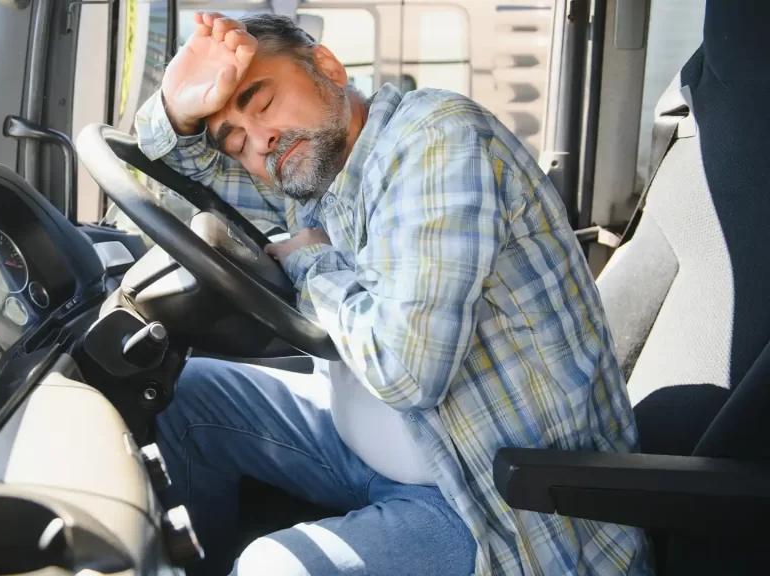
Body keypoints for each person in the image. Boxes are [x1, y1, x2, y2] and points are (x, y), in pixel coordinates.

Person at [136, 11, 651, 576]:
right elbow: (187, 167)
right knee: (192, 395)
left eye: (262, 103)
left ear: (327, 66)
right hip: (379, 444)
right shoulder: (317, 173)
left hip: (485, 500)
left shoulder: (435, 139)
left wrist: (310, 261)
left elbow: (406, 371)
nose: (261, 140)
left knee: (274, 567)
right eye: (239, 143)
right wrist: (174, 105)